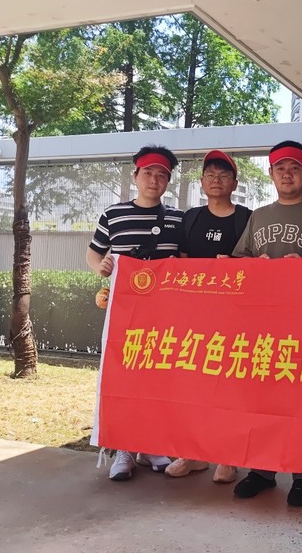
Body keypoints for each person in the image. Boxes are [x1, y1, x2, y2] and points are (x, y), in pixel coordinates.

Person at [230, 140, 302, 507]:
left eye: (294, 167)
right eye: (280, 168)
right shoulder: (258, 216)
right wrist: (256, 265)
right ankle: (262, 471)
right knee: (263, 400)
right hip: (263, 326)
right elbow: (238, 263)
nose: (287, 174)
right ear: (271, 173)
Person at [87, 145, 184, 481]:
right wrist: (102, 267)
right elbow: (94, 253)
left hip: (165, 317)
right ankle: (124, 450)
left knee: (159, 379)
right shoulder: (113, 215)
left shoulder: (178, 219)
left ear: (168, 181)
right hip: (124, 315)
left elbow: (187, 261)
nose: (154, 180)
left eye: (162, 175)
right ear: (135, 176)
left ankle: (153, 445)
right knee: (124, 378)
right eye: (148, 173)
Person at [164, 149, 252, 484]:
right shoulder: (190, 218)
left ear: (235, 183)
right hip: (195, 319)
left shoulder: (246, 218)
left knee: (229, 390)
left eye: (224, 175)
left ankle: (228, 458)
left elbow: (257, 265)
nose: (217, 180)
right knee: (192, 388)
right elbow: (180, 262)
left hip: (235, 320)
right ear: (201, 183)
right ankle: (191, 454)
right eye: (211, 175)